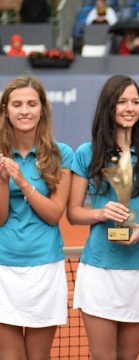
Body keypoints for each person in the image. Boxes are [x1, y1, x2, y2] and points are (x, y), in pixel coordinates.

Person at [67, 74, 139, 359]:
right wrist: (100, 212)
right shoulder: (87, 153)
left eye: (135, 101)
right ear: (109, 106)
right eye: (121, 101)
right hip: (100, 271)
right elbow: (73, 213)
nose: (130, 108)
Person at [0, 76, 73, 360]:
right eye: (17, 104)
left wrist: (21, 180)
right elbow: (1, 218)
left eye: (32, 103)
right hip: (4, 268)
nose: (24, 111)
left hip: (45, 269)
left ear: (42, 108)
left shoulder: (61, 154)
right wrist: (4, 182)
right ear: (6, 109)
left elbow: (55, 215)